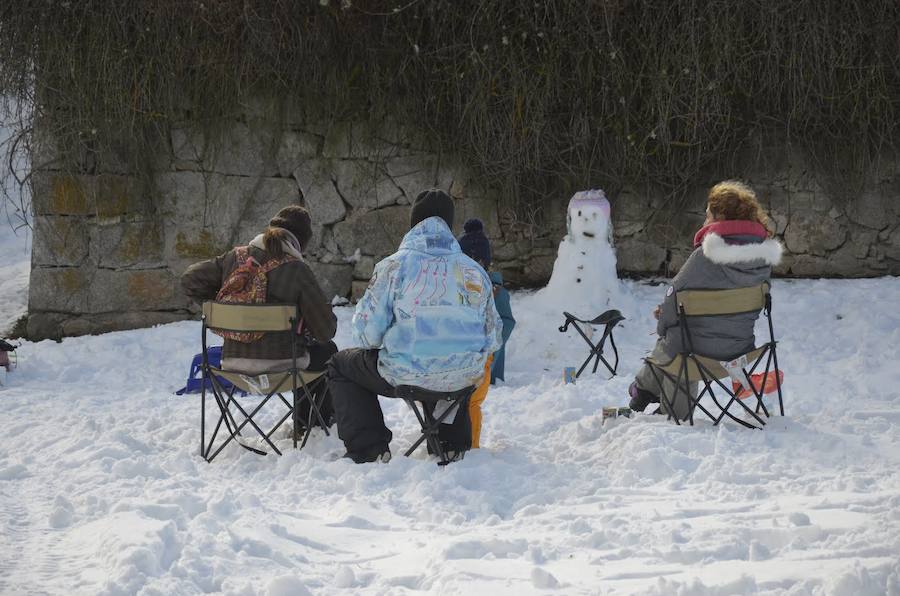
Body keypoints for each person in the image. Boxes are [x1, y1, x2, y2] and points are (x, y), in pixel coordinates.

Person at [328, 189, 503, 463]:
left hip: (407, 372)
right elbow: (493, 337)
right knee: (449, 369)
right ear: (449, 224)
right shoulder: (474, 271)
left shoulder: (393, 267)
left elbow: (366, 335)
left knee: (341, 364)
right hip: (462, 377)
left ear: (414, 223)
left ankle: (369, 448)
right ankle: (450, 444)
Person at [628, 180, 783, 419]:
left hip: (698, 356)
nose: (704, 222)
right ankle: (644, 390)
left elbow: (672, 302)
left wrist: (662, 325)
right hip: (740, 352)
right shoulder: (763, 258)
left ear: (721, 218)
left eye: (708, 216)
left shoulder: (704, 256)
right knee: (678, 338)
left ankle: (652, 394)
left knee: (673, 342)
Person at [180, 205, 338, 423]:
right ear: (300, 241)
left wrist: (220, 309)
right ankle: (310, 422)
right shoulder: (297, 270)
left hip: (231, 365)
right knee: (327, 350)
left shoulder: (234, 258)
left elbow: (189, 279)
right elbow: (325, 331)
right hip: (281, 368)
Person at [457, 218, 516, 448]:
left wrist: (494, 348)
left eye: (478, 260)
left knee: (473, 400)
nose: (473, 264)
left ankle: (470, 444)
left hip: (485, 357)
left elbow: (507, 322)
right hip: (464, 357)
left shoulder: (497, 291)